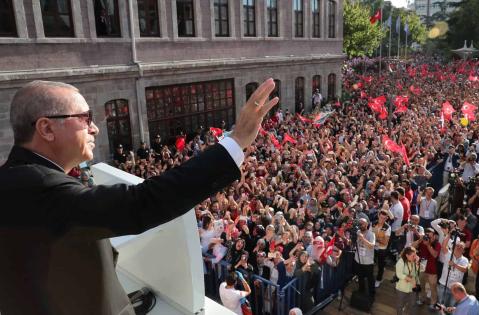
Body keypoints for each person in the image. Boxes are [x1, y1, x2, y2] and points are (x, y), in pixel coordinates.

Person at [0, 79, 279, 315]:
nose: (95, 128)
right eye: (84, 119)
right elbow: (141, 203)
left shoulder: (18, 178)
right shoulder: (36, 186)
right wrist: (237, 141)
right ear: (46, 128)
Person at [413, 228, 440, 308]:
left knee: (433, 287)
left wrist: (428, 245)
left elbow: (435, 255)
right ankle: (422, 298)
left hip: (432, 269)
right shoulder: (422, 241)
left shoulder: (437, 244)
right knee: (421, 285)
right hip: (422, 268)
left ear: (434, 236)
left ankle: (433, 302)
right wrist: (420, 240)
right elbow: (411, 247)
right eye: (427, 236)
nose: (429, 238)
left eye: (431, 237)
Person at [438, 237, 468, 307]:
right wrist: (449, 234)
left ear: (463, 251)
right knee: (442, 307)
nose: (459, 247)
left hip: (456, 289)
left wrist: (454, 265)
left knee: (452, 308)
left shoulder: (465, 260)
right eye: (457, 246)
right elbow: (443, 246)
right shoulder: (449, 254)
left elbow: (465, 269)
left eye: (461, 247)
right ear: (453, 247)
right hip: (444, 286)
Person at [395, 246, 421, 315]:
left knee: (413, 304)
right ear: (407, 255)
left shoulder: (414, 261)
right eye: (413, 256)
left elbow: (416, 273)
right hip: (402, 288)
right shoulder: (400, 262)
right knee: (400, 305)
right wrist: (410, 279)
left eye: (415, 255)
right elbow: (399, 274)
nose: (415, 257)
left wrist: (417, 263)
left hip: (412, 288)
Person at [354, 217, 376, 298]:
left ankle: (372, 293)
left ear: (366, 224)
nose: (360, 225)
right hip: (358, 260)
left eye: (362, 223)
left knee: (370, 278)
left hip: (368, 262)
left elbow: (371, 246)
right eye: (359, 224)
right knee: (360, 277)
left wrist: (362, 238)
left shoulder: (371, 234)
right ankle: (361, 290)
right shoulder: (357, 232)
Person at [372, 210, 391, 287]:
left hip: (382, 250)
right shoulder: (373, 223)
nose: (382, 220)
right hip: (373, 247)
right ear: (378, 216)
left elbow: (385, 242)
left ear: (386, 218)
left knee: (380, 265)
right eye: (381, 217)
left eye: (384, 218)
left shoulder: (388, 227)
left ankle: (379, 279)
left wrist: (375, 238)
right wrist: (379, 239)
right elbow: (370, 235)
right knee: (370, 263)